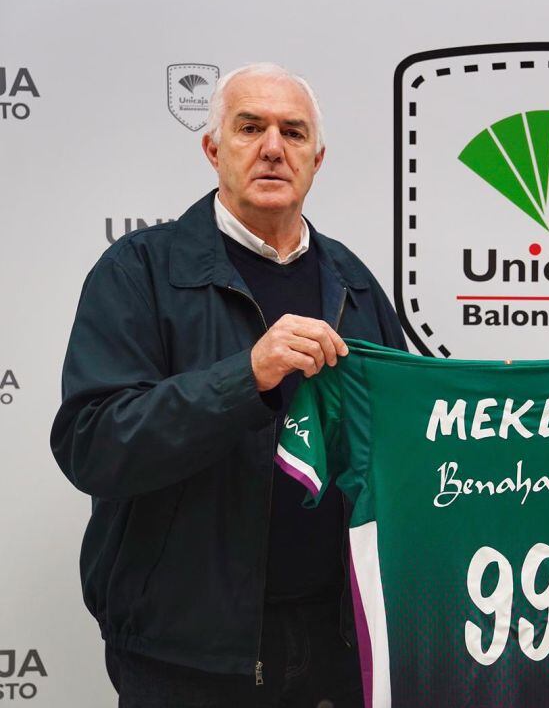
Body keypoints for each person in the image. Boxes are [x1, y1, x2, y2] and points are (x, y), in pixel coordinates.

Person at [51, 63, 405, 707]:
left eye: (293, 133)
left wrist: (475, 410)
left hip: (336, 646)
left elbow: (397, 445)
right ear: (213, 149)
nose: (273, 147)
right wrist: (246, 378)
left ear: (317, 160)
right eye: (250, 127)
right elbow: (92, 442)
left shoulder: (353, 280)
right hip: (184, 658)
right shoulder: (140, 271)